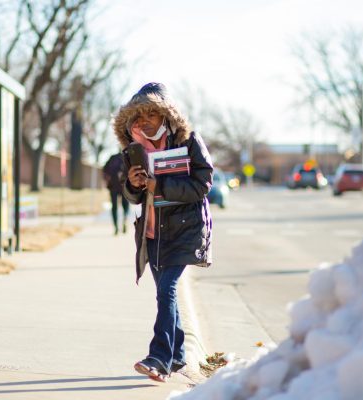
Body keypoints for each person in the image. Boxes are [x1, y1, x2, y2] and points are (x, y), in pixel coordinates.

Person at [112, 82, 213, 382]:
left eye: (150, 115)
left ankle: (158, 358)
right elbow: (131, 196)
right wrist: (133, 183)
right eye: (138, 117)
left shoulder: (189, 141)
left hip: (185, 230)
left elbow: (203, 184)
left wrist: (161, 185)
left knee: (166, 290)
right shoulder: (133, 149)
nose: (144, 122)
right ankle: (179, 355)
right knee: (163, 293)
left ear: (166, 115)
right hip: (152, 231)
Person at [102, 153, 129, 235]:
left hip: (114, 186)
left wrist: (107, 180)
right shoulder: (126, 158)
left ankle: (116, 226)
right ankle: (124, 220)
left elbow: (104, 171)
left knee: (114, 207)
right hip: (123, 186)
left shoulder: (112, 158)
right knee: (125, 205)